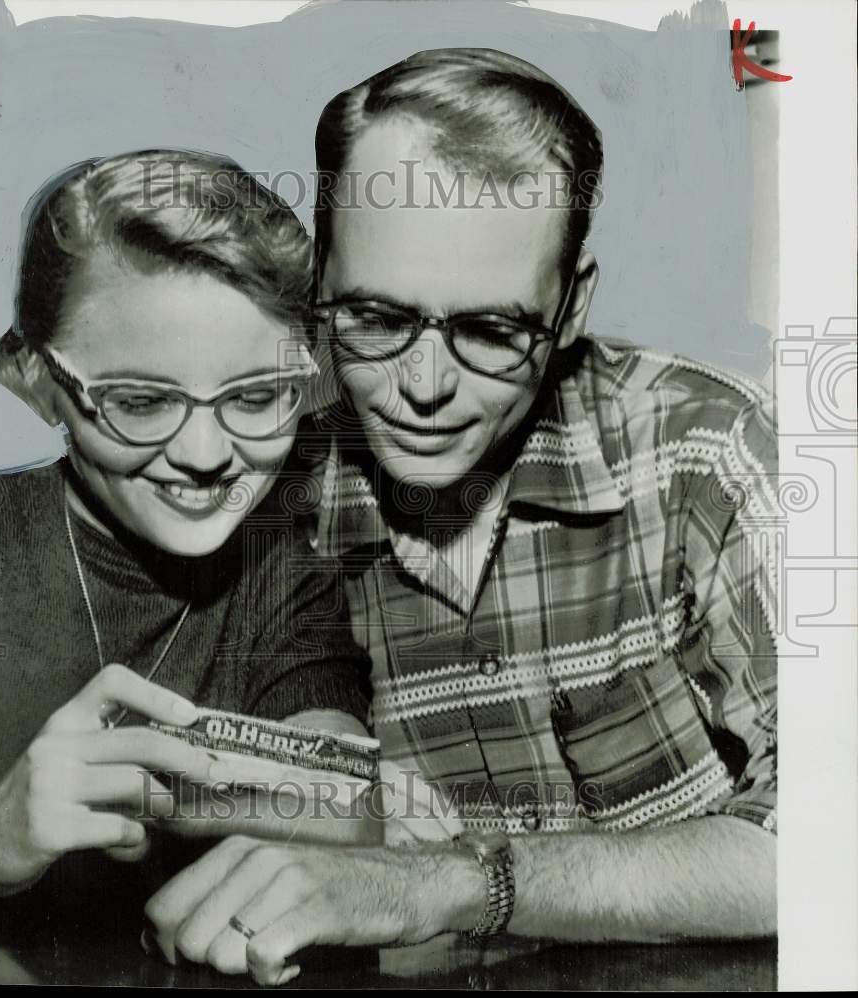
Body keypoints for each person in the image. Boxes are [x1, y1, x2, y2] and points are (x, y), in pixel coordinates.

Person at [144, 49, 777, 984]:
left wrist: (448, 883)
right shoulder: (256, 497)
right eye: (373, 316)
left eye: (491, 331)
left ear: (571, 307)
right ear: (319, 275)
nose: (425, 387)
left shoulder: (706, 451)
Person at [0, 149, 376, 912]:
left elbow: (341, 800)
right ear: (33, 378)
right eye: (138, 402)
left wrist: (339, 809)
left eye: (259, 396)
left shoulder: (282, 570)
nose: (205, 457)